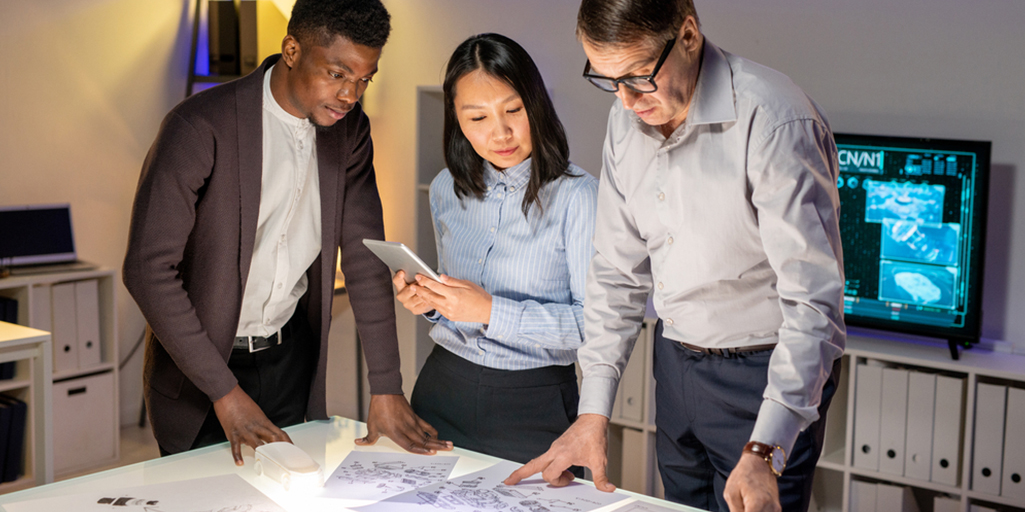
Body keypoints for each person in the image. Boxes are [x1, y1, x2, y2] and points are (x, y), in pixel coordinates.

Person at [506, 1, 845, 511]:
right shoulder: (627, 120)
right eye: (606, 80)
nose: (624, 100)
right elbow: (617, 273)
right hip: (675, 363)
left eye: (639, 76)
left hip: (763, 376)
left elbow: (814, 306)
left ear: (688, 35)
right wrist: (593, 412)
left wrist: (765, 447)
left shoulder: (774, 120)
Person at [123, 0, 450, 465]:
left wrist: (386, 387)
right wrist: (224, 392)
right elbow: (146, 270)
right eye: (337, 74)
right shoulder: (199, 126)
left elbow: (363, 258)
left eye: (364, 79)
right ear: (292, 49)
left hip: (289, 365)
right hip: (200, 375)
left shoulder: (350, 131)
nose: (350, 95)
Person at [392, 33, 598, 468]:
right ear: (458, 120)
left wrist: (490, 309)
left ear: (535, 104)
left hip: (534, 404)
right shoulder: (447, 187)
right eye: (478, 117)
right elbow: (456, 302)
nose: (499, 133)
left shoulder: (577, 196)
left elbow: (592, 327)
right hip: (441, 388)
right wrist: (431, 302)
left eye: (513, 110)